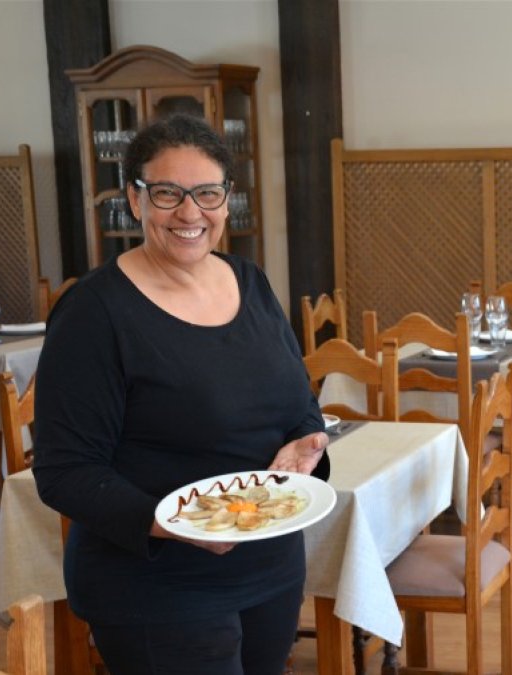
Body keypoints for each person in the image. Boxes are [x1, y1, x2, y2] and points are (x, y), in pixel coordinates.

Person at [33, 113, 328, 675]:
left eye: (207, 193)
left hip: (270, 569)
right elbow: (64, 470)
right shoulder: (95, 312)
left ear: (227, 199)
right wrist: (175, 523)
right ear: (134, 199)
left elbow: (299, 401)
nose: (190, 213)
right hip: (156, 586)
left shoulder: (250, 281)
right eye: (168, 193)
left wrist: (306, 446)